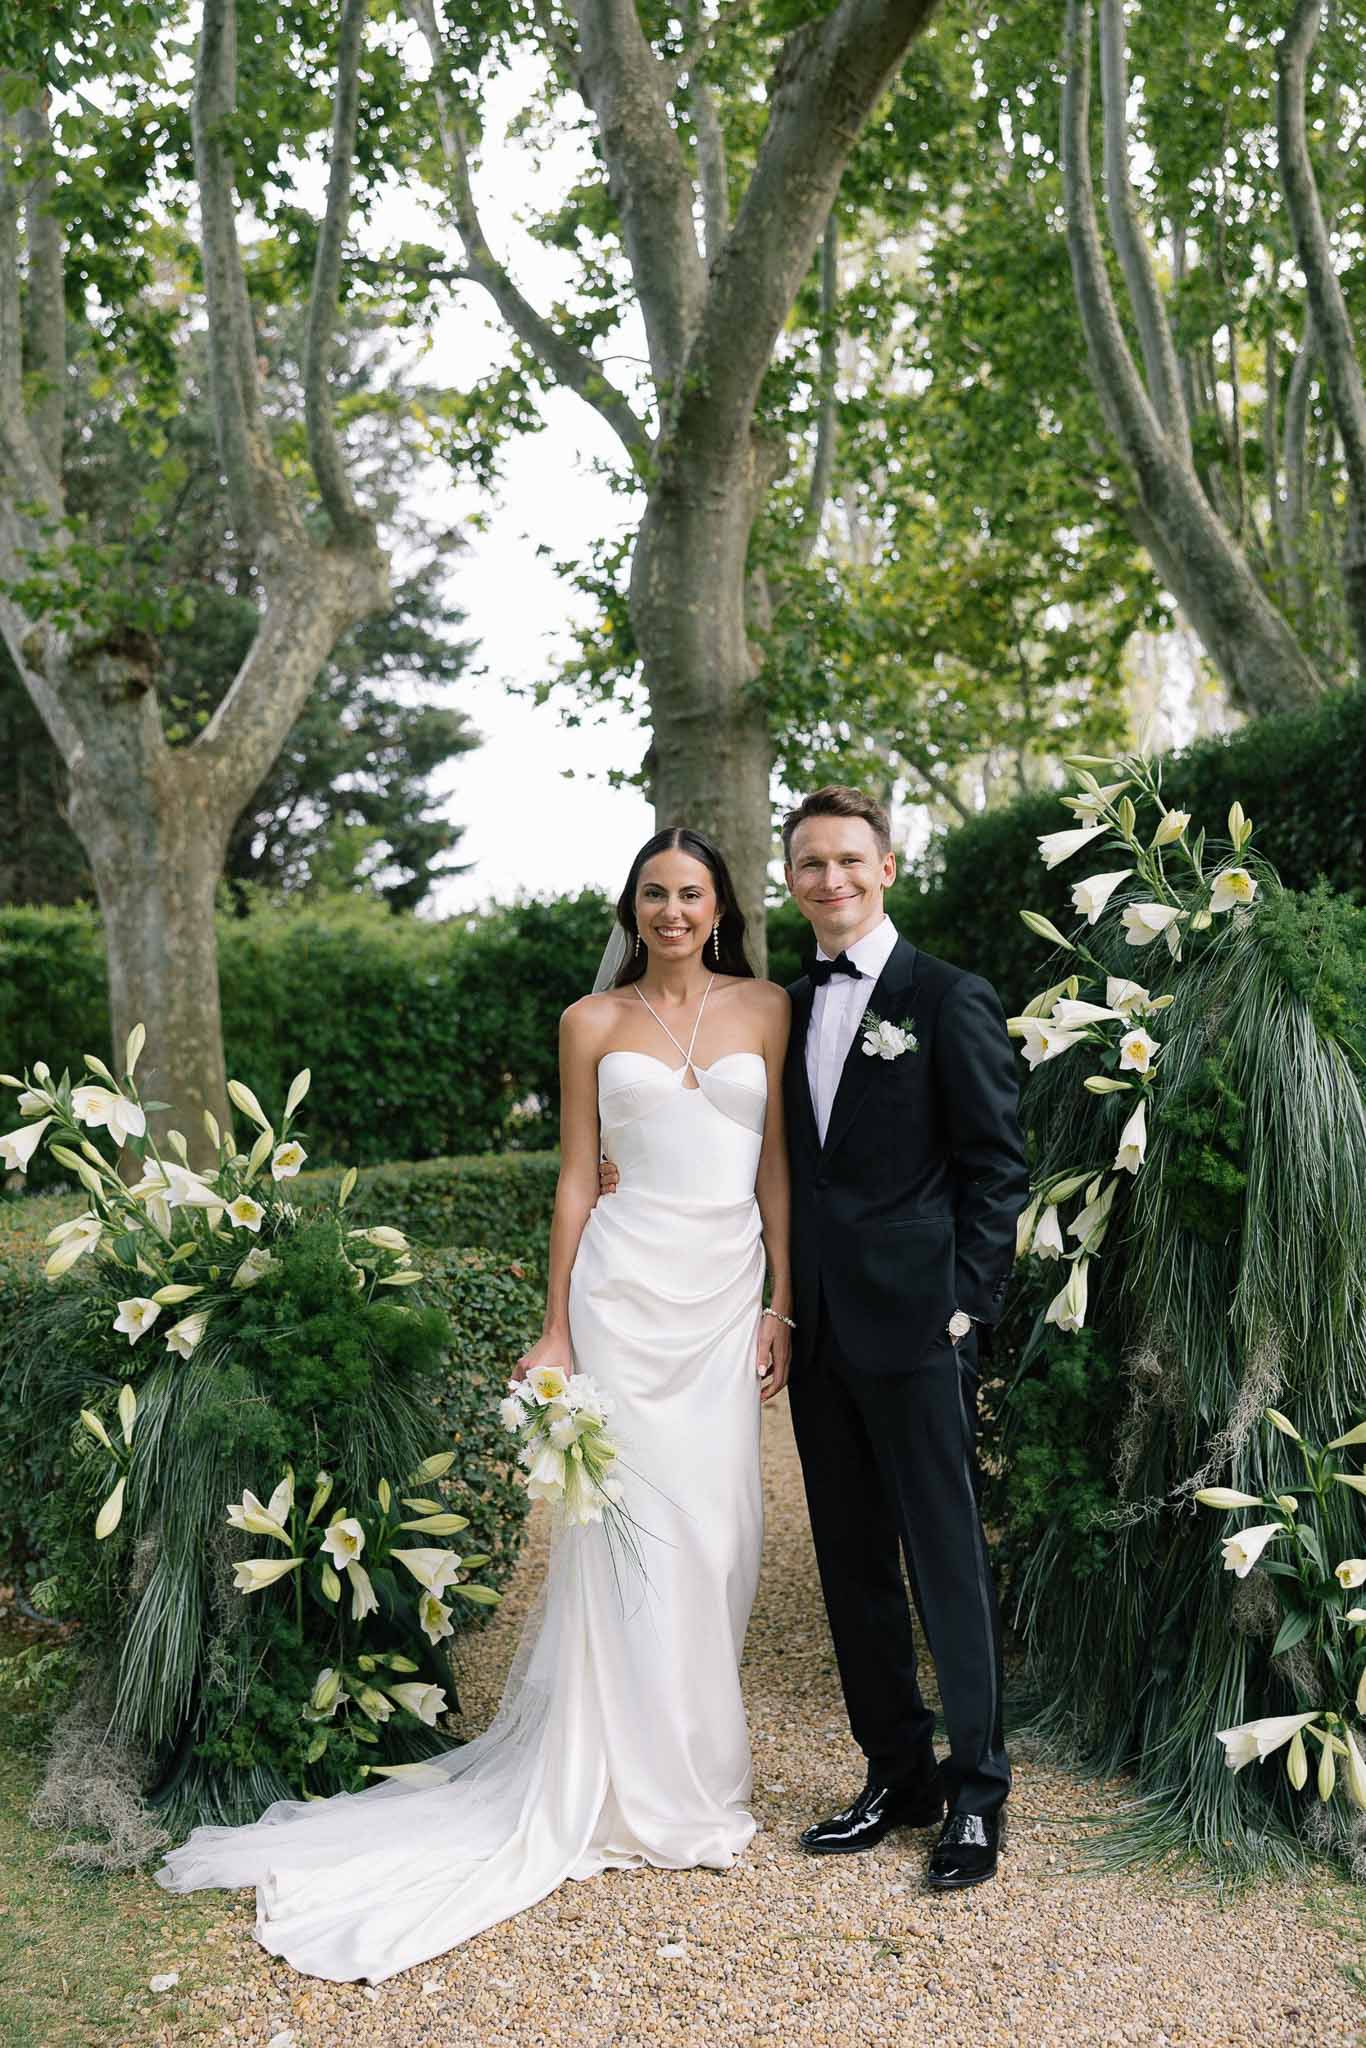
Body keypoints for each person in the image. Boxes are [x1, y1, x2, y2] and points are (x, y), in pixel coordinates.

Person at [156, 826, 793, 1983]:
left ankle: (697, 1765)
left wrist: (780, 1302)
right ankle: (628, 1779)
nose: (670, 911)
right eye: (652, 893)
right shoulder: (589, 1023)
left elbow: (775, 1168)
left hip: (718, 1308)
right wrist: (555, 1324)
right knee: (629, 1534)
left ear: (720, 904)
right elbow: (571, 1172)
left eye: (690, 893)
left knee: (723, 1532)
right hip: (620, 1297)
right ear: (631, 905)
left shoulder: (767, 1006)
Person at [602, 785, 1028, 1891]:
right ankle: (897, 1770)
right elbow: (751, 1146)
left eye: (847, 860)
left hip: (920, 1325)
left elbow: (996, 1168)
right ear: (788, 883)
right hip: (819, 1325)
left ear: (886, 866)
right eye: (808, 865)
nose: (829, 880)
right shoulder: (783, 1006)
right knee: (849, 1563)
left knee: (944, 1561)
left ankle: (976, 1793)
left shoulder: (948, 997)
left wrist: (966, 1307)